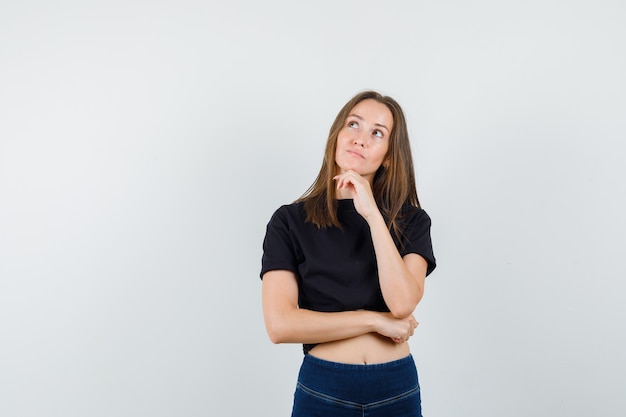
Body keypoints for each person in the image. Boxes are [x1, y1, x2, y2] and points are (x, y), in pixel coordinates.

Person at [260, 90, 436, 416]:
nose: (360, 139)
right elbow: (280, 325)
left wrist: (372, 214)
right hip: (324, 387)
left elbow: (402, 303)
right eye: (353, 124)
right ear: (337, 135)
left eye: (377, 132)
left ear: (388, 157)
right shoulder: (289, 221)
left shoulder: (411, 220)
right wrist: (374, 321)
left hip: (394, 387)